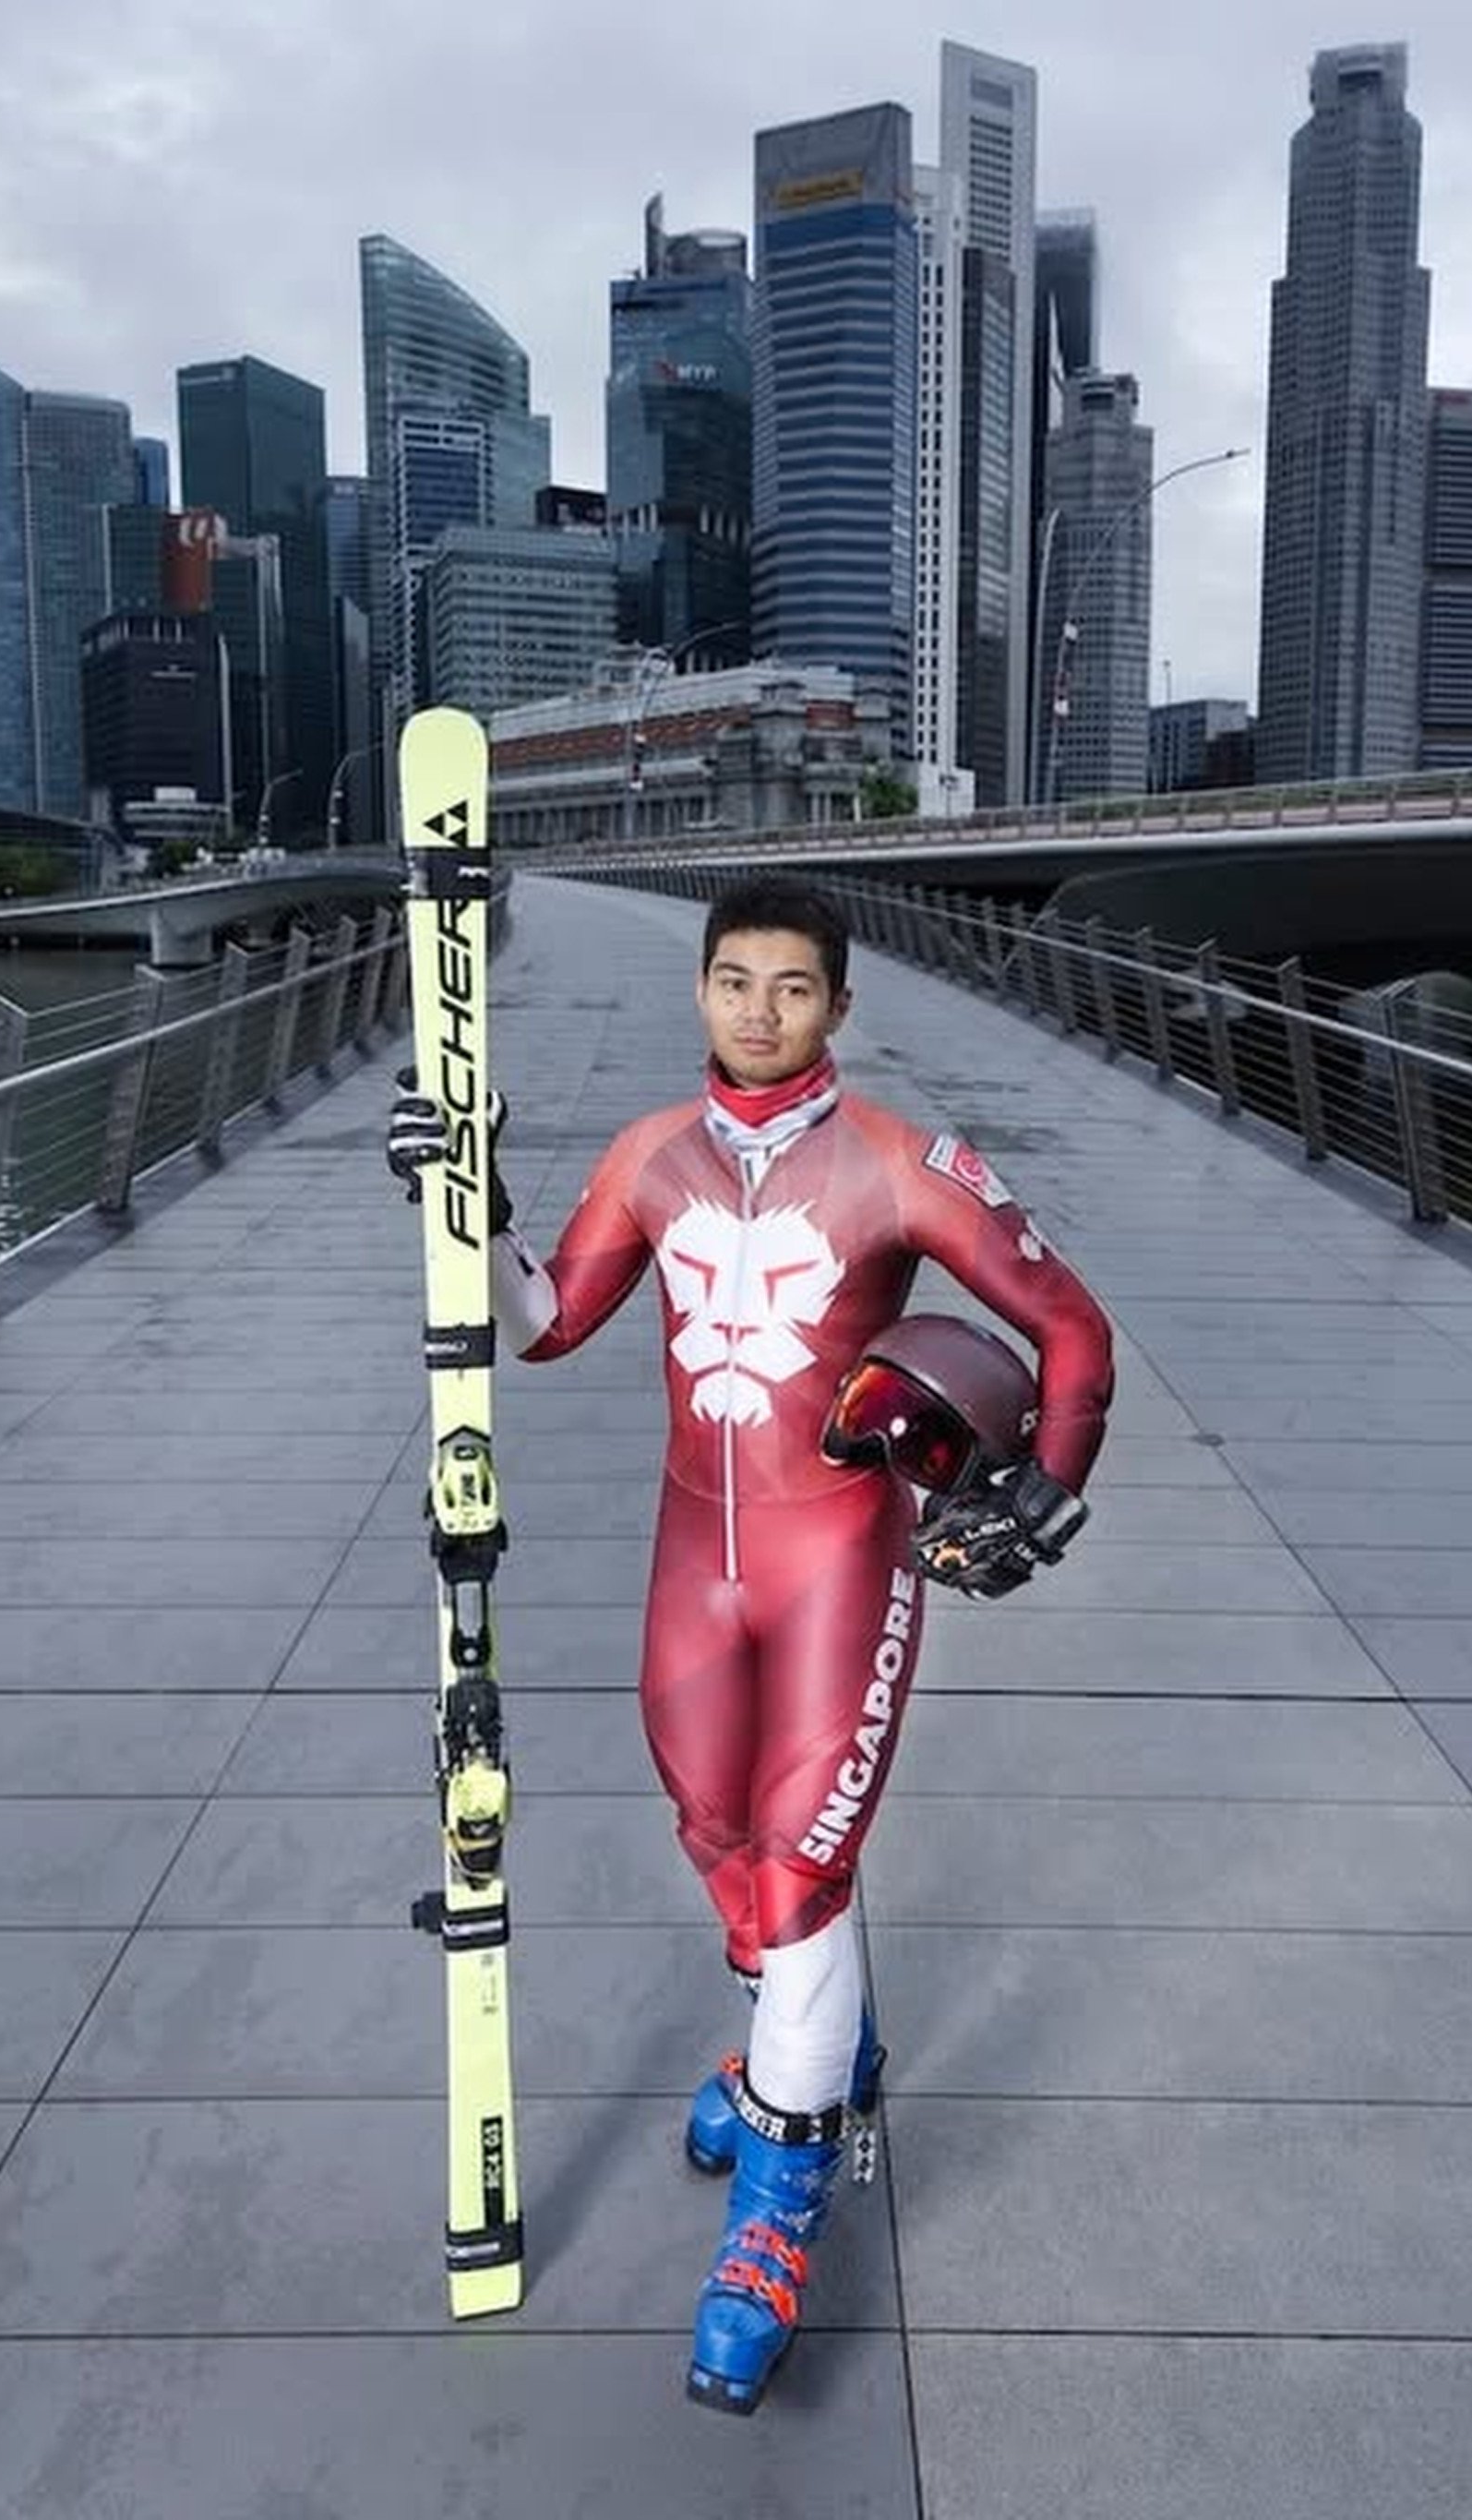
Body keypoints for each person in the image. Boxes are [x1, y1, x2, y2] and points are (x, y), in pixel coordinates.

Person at [387, 875, 1114, 2413]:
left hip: (844, 1561)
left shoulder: (907, 1164)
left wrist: (1049, 1482)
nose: (761, 1009)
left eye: (793, 987)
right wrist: (471, 1195)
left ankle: (777, 2208)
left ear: (838, 1004)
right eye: (736, 981)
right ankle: (812, 2039)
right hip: (689, 1572)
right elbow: (542, 1321)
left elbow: (1073, 1330)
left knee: (800, 1863)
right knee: (716, 1826)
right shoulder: (651, 1155)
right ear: (702, 989)